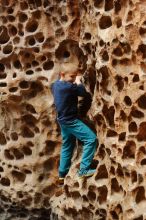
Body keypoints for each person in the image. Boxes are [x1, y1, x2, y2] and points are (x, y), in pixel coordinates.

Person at [51, 62, 97, 182]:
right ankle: (84, 170)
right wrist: (78, 81)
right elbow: (82, 92)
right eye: (72, 76)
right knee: (91, 139)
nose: (73, 79)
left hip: (62, 120)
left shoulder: (55, 85)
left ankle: (62, 174)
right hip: (71, 121)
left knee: (67, 145)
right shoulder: (69, 87)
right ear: (62, 74)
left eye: (75, 76)